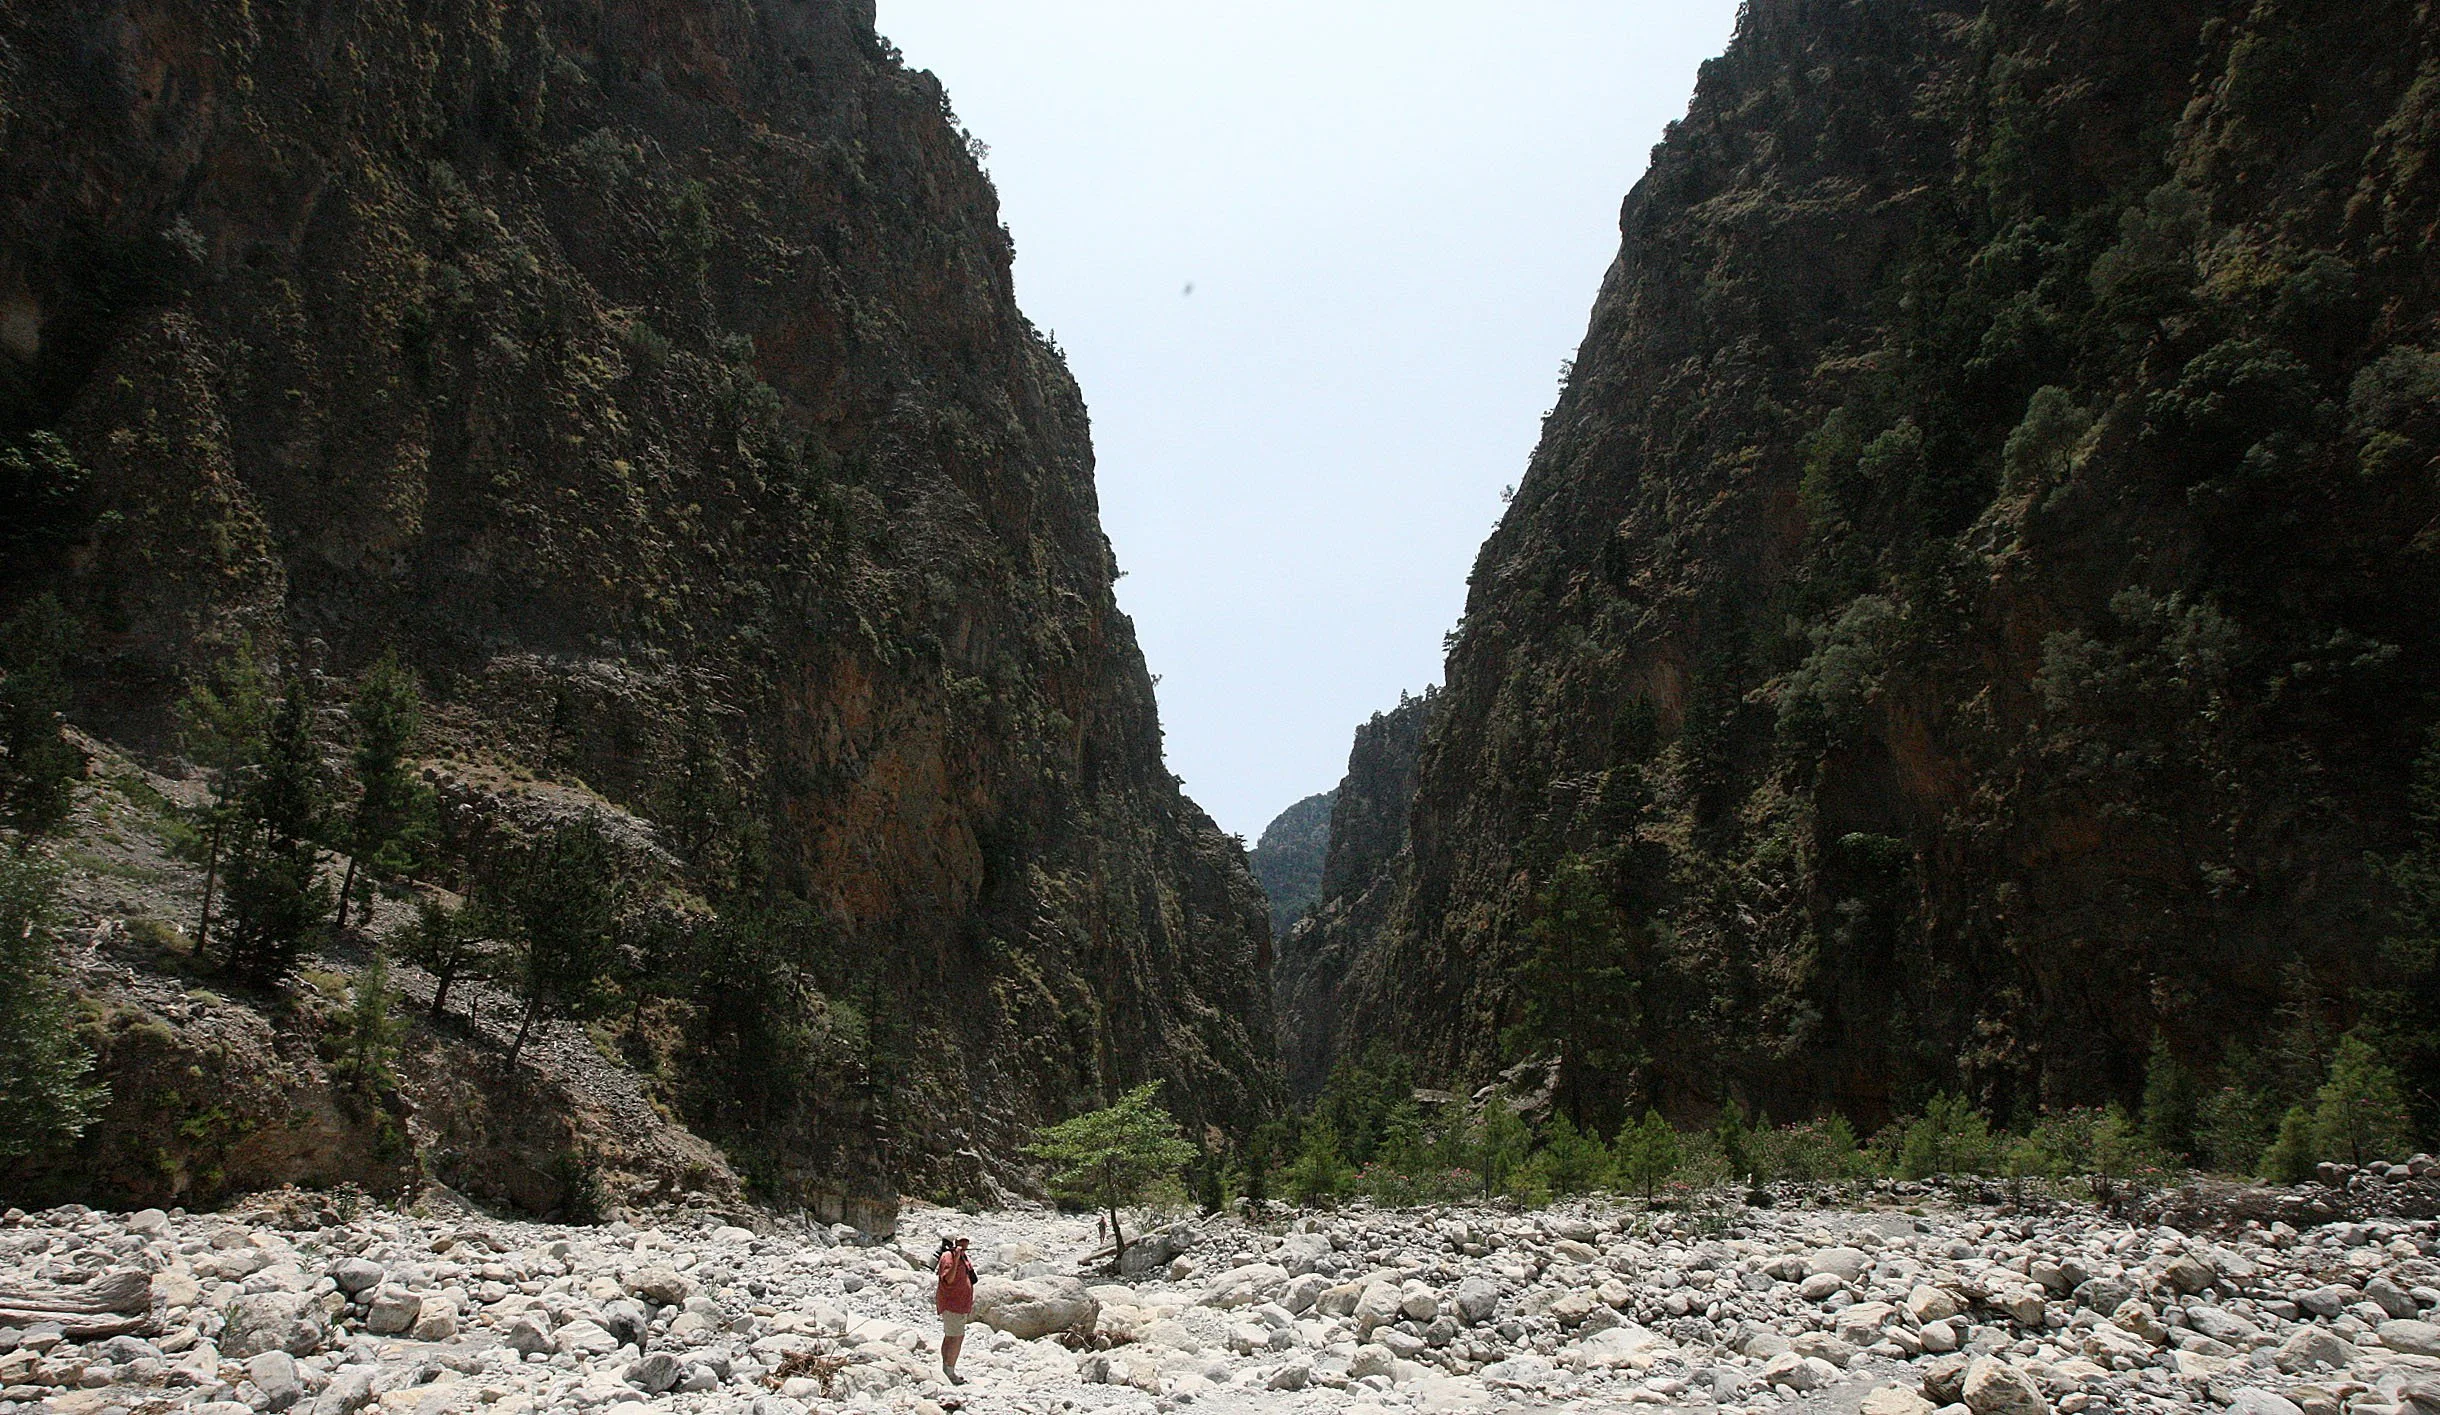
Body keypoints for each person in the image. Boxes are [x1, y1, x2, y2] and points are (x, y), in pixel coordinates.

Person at [934, 1235, 977, 1384]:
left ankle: (947, 1369)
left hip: (960, 1303)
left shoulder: (962, 1256)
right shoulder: (948, 1257)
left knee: (951, 1336)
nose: (966, 1243)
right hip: (953, 1303)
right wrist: (957, 1257)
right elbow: (948, 1279)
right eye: (962, 1241)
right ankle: (949, 1372)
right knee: (956, 1337)